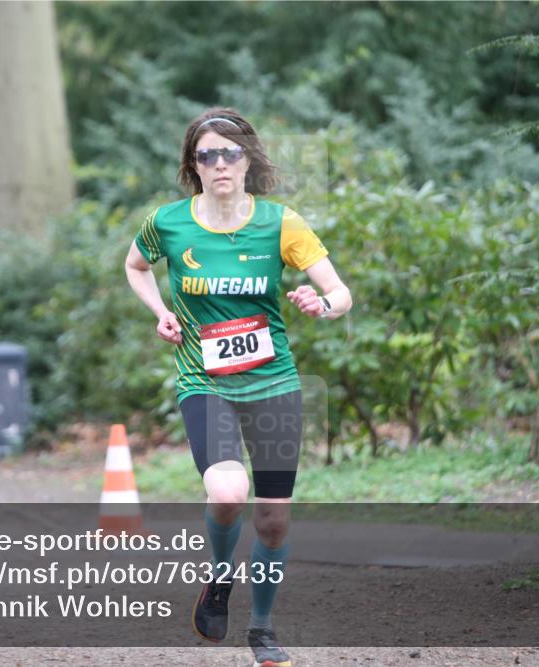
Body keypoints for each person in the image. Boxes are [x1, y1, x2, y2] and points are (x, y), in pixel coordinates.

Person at [124, 107, 352, 667]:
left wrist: (320, 304)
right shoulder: (169, 223)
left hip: (273, 383)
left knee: (273, 518)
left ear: (248, 160)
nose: (220, 163)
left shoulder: (281, 223)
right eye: (208, 154)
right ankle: (220, 577)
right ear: (193, 165)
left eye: (230, 152)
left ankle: (263, 629)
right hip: (206, 383)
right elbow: (135, 265)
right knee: (227, 493)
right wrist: (160, 311)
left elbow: (340, 291)